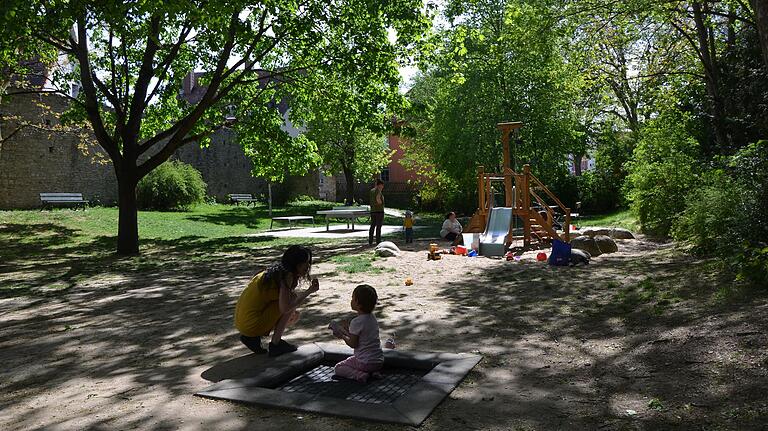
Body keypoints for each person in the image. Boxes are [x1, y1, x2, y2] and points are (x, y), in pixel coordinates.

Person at [234, 245, 319, 357]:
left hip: (242, 323)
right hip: (251, 325)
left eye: (309, 262)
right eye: (305, 262)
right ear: (295, 264)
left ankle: (252, 338)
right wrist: (309, 291)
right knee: (292, 300)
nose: (308, 266)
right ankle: (276, 344)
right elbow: (286, 308)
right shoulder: (286, 276)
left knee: (292, 307)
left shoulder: (273, 272)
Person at [332, 284, 384, 383]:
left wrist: (342, 336)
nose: (351, 301)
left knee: (338, 367)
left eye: (352, 298)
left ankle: (359, 374)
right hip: (378, 362)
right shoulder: (372, 318)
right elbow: (362, 337)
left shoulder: (356, 322)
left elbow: (353, 344)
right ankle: (374, 372)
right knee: (354, 359)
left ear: (358, 304)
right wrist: (347, 329)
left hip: (364, 362)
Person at [368, 179, 385, 245]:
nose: (382, 187)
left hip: (373, 211)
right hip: (379, 211)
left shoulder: (371, 191)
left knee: (372, 226)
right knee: (378, 227)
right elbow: (378, 199)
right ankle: (378, 241)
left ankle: (370, 240)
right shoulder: (378, 191)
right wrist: (380, 203)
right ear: (380, 185)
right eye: (382, 186)